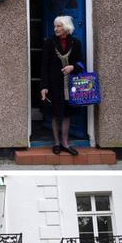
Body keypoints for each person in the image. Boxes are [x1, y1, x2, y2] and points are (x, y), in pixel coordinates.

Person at [41, 15, 83, 156]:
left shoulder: (75, 43)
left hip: (70, 85)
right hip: (53, 84)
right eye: (55, 26)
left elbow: (81, 63)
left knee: (67, 114)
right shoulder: (49, 43)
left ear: (66, 27)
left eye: (58, 26)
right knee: (54, 114)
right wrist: (44, 86)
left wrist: (72, 67)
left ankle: (65, 143)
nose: (55, 29)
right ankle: (56, 143)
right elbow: (44, 66)